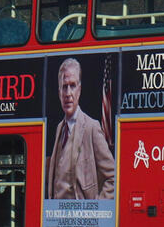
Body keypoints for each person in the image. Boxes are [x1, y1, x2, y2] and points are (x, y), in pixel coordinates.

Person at [45, 57, 116, 199]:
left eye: (72, 85)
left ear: (80, 89)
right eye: (64, 87)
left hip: (82, 218)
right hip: (57, 217)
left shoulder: (91, 127)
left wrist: (96, 210)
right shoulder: (60, 128)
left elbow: (113, 177)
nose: (68, 94)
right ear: (59, 91)